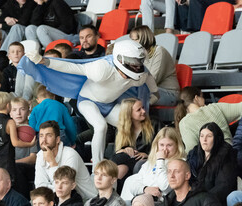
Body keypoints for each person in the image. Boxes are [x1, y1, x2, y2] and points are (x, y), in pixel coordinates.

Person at [23, 39, 159, 170]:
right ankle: (97, 167)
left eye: (139, 62)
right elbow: (73, 67)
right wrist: (44, 61)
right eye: (133, 61)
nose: (137, 65)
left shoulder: (141, 75)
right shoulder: (102, 69)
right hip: (88, 101)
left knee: (130, 122)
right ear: (119, 58)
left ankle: (125, 153)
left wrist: (152, 98)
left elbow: (153, 89)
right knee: (100, 126)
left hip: (109, 105)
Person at [175, 86, 242, 153]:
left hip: (208, 166)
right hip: (230, 157)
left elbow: (191, 151)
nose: (204, 100)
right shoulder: (214, 108)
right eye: (202, 97)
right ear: (196, 98)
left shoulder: (184, 123)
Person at [35, 121, 97, 200]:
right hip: (58, 200)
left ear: (57, 139)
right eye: (41, 136)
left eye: (49, 136)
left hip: (86, 201)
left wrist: (52, 163)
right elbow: (40, 186)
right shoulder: (40, 155)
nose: (44, 140)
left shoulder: (70, 154)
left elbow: (65, 188)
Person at [121, 127, 186, 201]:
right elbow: (134, 183)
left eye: (169, 145)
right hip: (141, 199)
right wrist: (145, 189)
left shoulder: (181, 163)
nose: (165, 149)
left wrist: (160, 160)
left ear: (177, 145)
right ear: (157, 145)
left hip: (159, 203)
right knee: (129, 181)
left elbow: (165, 186)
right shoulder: (151, 161)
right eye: (161, 145)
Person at [111, 98, 162, 192]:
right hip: (128, 160)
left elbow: (162, 147)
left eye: (142, 107)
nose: (143, 111)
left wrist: (148, 155)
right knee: (120, 164)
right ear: (129, 113)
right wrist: (123, 149)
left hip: (146, 161)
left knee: (120, 164)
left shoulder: (154, 124)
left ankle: (110, 192)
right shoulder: (121, 129)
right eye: (139, 110)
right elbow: (116, 151)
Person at [187, 122, 237, 206]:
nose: (204, 139)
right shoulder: (194, 154)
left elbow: (224, 186)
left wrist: (200, 200)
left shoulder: (226, 155)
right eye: (201, 136)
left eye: (209, 136)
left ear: (217, 138)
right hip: (195, 200)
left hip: (216, 204)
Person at [0, 91, 36, 181]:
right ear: (8, 106)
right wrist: (30, 144)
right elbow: (15, 142)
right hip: (6, 162)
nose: (18, 113)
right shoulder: (10, 122)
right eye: (14, 109)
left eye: (22, 109)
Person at [130, 26, 180, 106]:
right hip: (150, 90)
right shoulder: (138, 55)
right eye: (131, 40)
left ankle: (141, 115)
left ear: (145, 38)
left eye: (135, 40)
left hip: (169, 93)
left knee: (139, 92)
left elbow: (152, 80)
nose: (132, 43)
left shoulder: (159, 51)